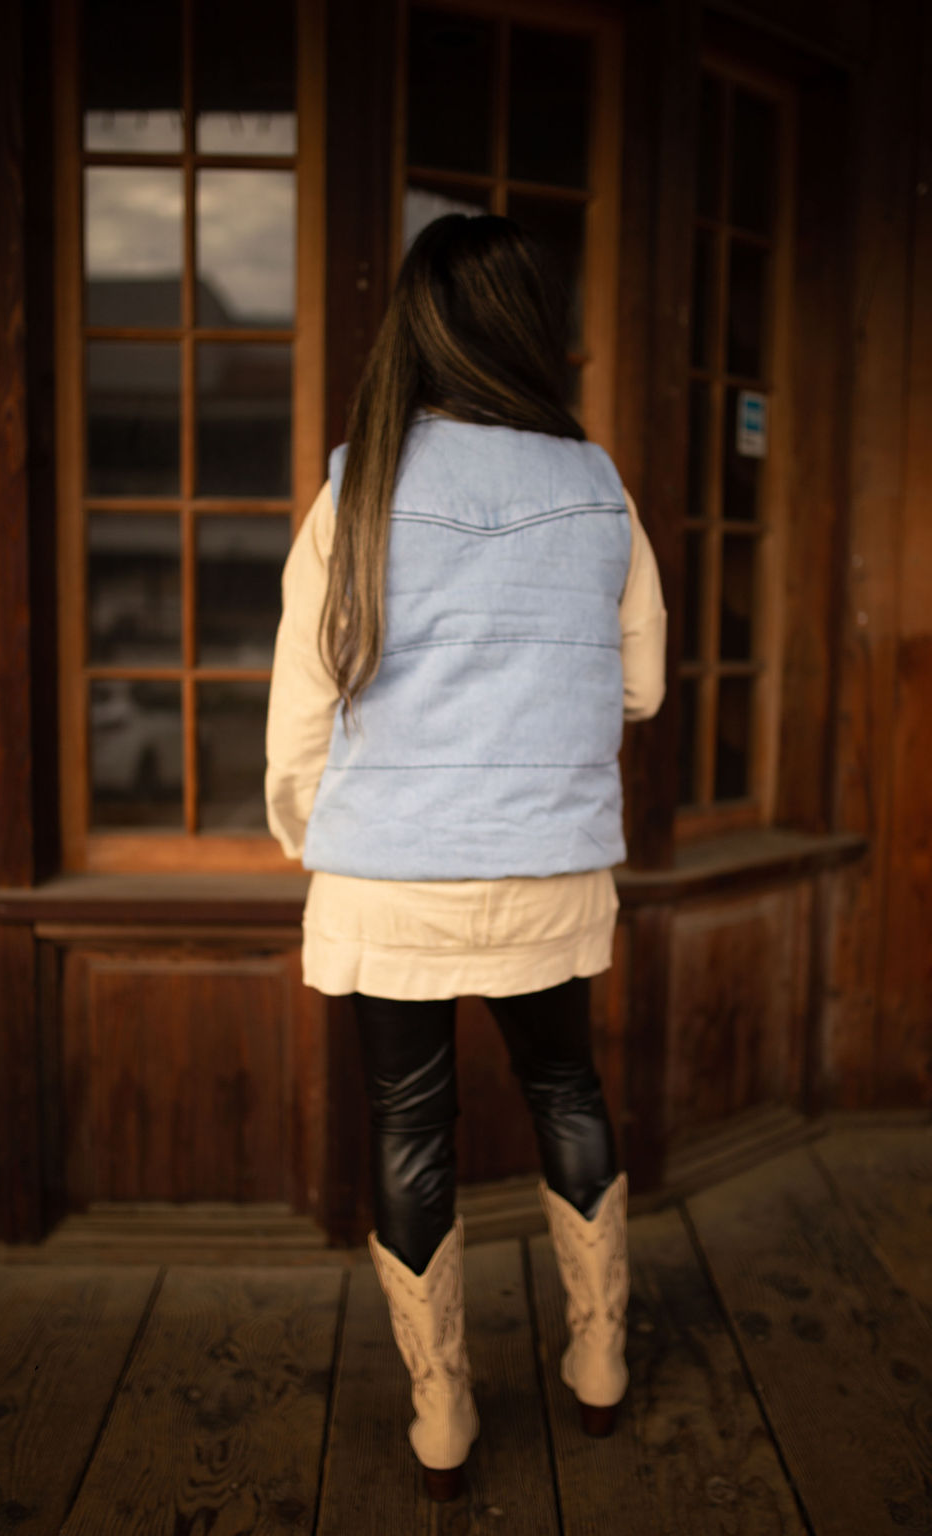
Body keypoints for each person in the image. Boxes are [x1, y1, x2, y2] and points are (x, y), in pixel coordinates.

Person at [265, 213, 666, 1502]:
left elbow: (299, 715)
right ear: (530, 328)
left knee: (409, 1122)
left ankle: (443, 1411)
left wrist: (318, 839)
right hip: (547, 863)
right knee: (567, 1092)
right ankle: (599, 1356)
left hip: (393, 878)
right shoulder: (599, 483)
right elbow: (644, 688)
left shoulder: (359, 484)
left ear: (418, 325)